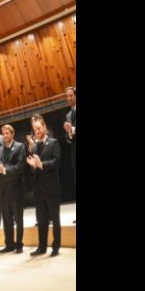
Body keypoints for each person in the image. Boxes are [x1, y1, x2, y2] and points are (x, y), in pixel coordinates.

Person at [28, 116, 62, 257]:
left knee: (55, 218)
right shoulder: (35, 147)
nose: (37, 131)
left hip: (52, 187)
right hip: (39, 189)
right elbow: (34, 168)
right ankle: (42, 247)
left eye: (39, 128)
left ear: (44, 127)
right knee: (41, 220)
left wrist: (42, 165)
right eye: (35, 129)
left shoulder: (53, 143)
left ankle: (56, 246)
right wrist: (33, 167)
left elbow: (56, 161)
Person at [0, 125, 27, 254]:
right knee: (6, 217)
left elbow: (20, 167)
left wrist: (4, 169)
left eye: (7, 133)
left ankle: (19, 244)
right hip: (3, 187)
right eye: (3, 133)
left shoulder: (20, 146)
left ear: (12, 134)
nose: (5, 135)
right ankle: (9, 244)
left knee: (18, 216)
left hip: (16, 186)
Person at [63, 86, 76, 224]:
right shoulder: (68, 115)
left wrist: (72, 129)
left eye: (71, 95)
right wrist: (70, 134)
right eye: (67, 96)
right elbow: (68, 137)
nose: (69, 98)